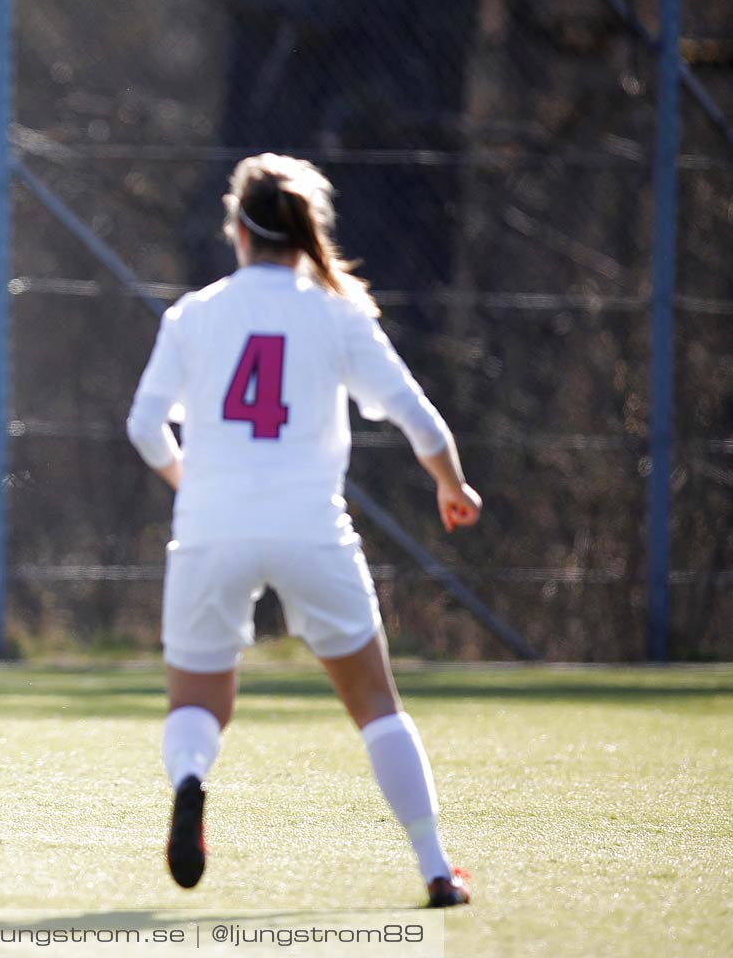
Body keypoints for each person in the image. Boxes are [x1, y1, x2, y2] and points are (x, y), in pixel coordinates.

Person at [126, 153, 480, 908]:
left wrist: (193, 486)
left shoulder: (194, 314)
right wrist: (452, 483)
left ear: (238, 232)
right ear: (305, 234)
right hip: (311, 529)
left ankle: (191, 781)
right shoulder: (338, 312)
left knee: (196, 703)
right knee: (377, 706)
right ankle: (436, 868)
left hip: (210, 529)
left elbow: (144, 426)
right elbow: (420, 419)